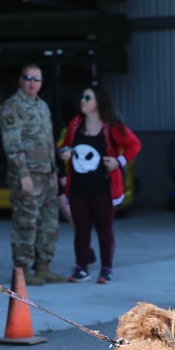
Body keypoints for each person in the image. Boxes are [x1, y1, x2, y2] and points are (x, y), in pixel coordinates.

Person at [59, 84, 141, 283]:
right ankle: (81, 268)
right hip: (78, 187)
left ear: (99, 102)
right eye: (82, 97)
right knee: (81, 228)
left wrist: (118, 161)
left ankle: (106, 269)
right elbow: (65, 147)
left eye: (88, 98)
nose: (82, 101)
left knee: (104, 228)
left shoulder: (112, 127)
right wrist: (64, 153)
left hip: (103, 188)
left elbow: (134, 145)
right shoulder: (75, 124)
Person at [0, 63, 66, 285]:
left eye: (37, 79)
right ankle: (22, 269)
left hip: (46, 174)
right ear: (20, 80)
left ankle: (43, 266)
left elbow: (48, 143)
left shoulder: (43, 107)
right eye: (28, 78)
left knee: (49, 223)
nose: (32, 82)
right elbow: (12, 144)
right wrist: (23, 175)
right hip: (27, 176)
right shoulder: (11, 107)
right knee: (25, 222)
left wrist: (55, 172)